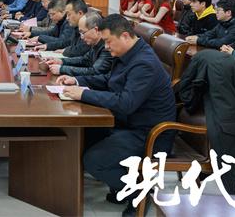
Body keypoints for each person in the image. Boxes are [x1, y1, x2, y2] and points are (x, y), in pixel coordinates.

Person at [56, 15, 176, 211]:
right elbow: (110, 80)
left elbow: (125, 103)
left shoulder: (143, 63)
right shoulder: (129, 54)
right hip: (129, 123)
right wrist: (77, 81)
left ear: (125, 36)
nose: (105, 47)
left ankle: (139, 194)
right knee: (82, 137)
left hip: (149, 134)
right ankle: (121, 186)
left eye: (108, 41)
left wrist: (83, 95)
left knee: (95, 160)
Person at [46, 12, 113, 77]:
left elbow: (95, 71)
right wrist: (61, 61)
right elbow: (84, 60)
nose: (81, 37)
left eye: (83, 32)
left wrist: (62, 69)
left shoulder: (107, 47)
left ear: (95, 30)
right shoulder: (95, 43)